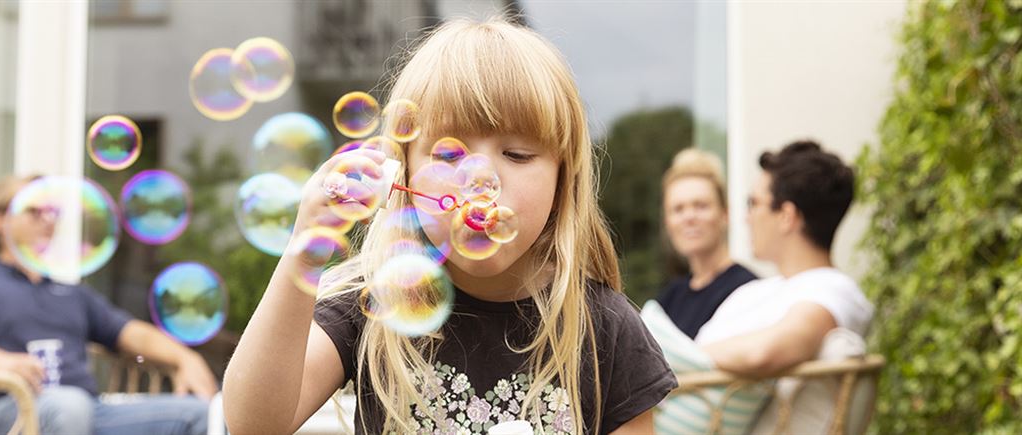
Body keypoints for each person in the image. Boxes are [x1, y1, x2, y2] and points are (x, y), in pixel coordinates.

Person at [223, 17, 674, 435]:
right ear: (403, 175)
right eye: (448, 155)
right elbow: (254, 424)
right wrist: (307, 247)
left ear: (563, 180)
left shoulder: (605, 330)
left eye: (516, 155)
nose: (480, 180)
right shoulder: (372, 302)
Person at [0, 175, 217, 435]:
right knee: (69, 406)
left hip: (88, 412)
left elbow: (132, 333)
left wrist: (184, 358)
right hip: (12, 413)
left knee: (199, 414)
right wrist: (0, 360)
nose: (48, 220)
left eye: (53, 212)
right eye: (35, 211)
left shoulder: (72, 294)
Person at [697, 140, 872, 377]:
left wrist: (678, 358)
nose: (746, 218)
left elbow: (762, 353)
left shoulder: (834, 292)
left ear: (786, 216)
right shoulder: (753, 292)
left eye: (754, 204)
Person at [656, 149, 758, 338]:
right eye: (678, 209)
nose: (689, 217)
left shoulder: (749, 290)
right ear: (667, 222)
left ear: (725, 214)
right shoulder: (667, 301)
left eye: (701, 206)